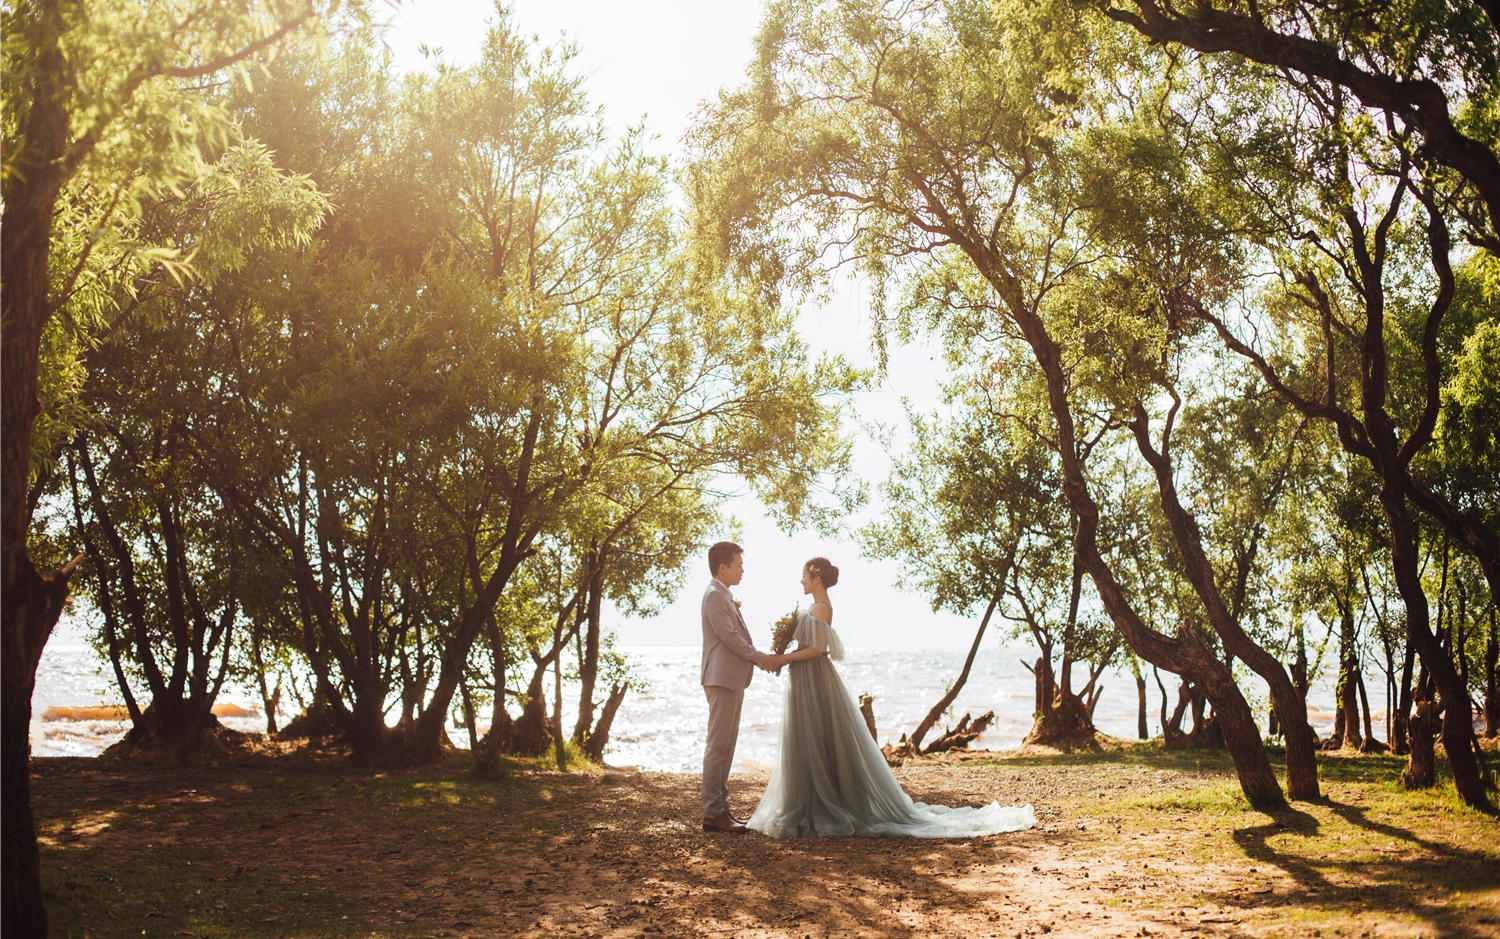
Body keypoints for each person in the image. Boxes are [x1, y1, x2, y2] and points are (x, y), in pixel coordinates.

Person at [747, 557, 1036, 838]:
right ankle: (810, 800)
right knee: (809, 737)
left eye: (804, 575)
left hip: (815, 679)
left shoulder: (821, 608)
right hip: (805, 678)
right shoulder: (815, 607)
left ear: (816, 576)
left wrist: (782, 658)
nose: (801, 580)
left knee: (820, 736)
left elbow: (817, 650)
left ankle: (825, 802)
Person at [700, 541, 787, 833]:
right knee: (718, 747)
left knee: (726, 746)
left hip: (731, 678)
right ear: (722, 567)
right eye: (738, 565)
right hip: (721, 678)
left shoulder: (723, 594)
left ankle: (721, 810)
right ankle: (713, 813)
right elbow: (729, 638)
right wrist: (762, 658)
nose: (742, 570)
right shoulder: (714, 595)